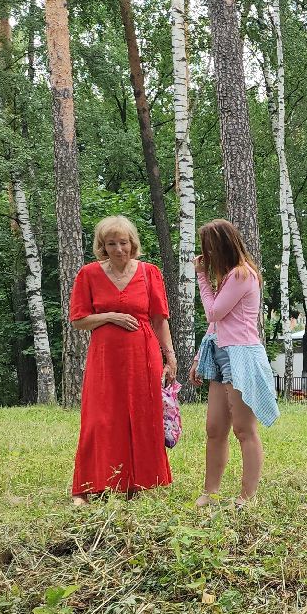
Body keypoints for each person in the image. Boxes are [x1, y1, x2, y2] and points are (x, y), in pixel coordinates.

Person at [69, 215, 175, 503]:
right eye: (111, 244)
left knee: (142, 417)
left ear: (133, 243)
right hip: (105, 358)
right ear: (102, 246)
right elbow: (78, 320)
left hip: (143, 354)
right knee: (100, 419)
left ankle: (136, 484)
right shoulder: (88, 274)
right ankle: (87, 486)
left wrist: (170, 355)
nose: (118, 249)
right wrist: (109, 316)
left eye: (123, 242)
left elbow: (159, 317)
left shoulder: (149, 272)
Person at [191, 218, 279, 507]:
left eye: (211, 249)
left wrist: (201, 278)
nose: (208, 256)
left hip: (241, 355)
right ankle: (210, 492)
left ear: (224, 246)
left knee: (244, 429)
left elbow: (214, 313)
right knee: (215, 429)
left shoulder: (242, 274)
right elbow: (217, 325)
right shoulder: (229, 277)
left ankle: (247, 496)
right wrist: (197, 359)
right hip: (219, 354)